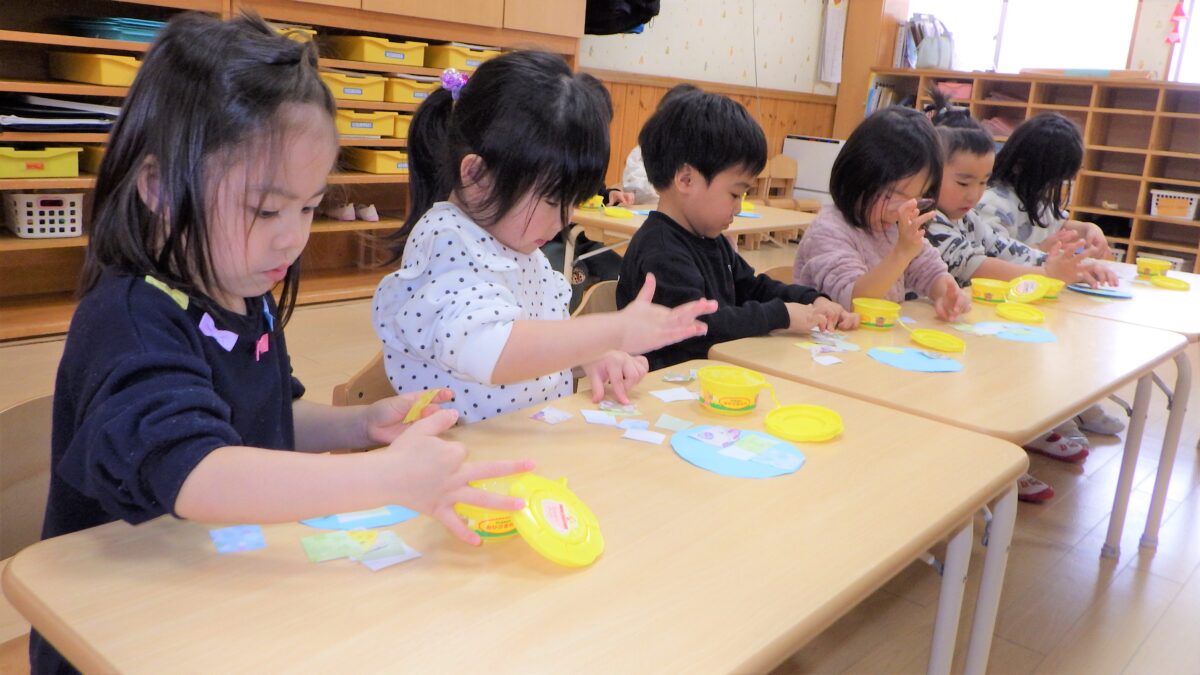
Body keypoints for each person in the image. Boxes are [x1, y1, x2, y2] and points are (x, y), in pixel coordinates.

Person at [35, 13, 534, 673]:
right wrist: (379, 478)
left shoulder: (244, 289)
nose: (292, 237)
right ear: (159, 188)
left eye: (308, 206)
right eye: (267, 209)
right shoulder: (129, 319)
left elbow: (261, 419)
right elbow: (197, 471)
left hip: (213, 591)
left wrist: (360, 424)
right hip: (111, 629)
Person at [373, 51, 716, 424]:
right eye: (553, 201)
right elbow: (492, 350)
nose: (564, 219)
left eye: (573, 203)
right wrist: (612, 331)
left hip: (525, 439)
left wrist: (590, 357)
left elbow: (540, 341)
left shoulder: (518, 245)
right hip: (457, 448)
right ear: (476, 176)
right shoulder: (446, 242)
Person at [615, 90, 856, 370]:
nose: (739, 207)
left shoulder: (709, 238)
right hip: (661, 385)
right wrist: (780, 315)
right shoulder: (660, 251)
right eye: (734, 194)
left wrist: (812, 300)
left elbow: (751, 288)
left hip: (712, 375)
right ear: (686, 179)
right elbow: (697, 328)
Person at [975, 111, 1126, 438]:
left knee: (1080, 337)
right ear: (1023, 166)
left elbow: (1057, 224)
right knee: (1041, 352)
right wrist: (1047, 253)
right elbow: (994, 255)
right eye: (1052, 179)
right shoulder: (992, 201)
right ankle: (1049, 415)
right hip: (1001, 302)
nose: (1054, 188)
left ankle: (1076, 403)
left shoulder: (1034, 195)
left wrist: (1088, 229)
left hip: (1037, 296)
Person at [792, 106, 971, 321]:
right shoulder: (828, 230)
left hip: (876, 337)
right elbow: (853, 302)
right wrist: (901, 254)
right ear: (859, 176)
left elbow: (928, 270)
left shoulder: (894, 226)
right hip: (828, 338)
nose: (903, 209)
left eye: (918, 197)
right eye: (892, 195)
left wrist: (947, 294)